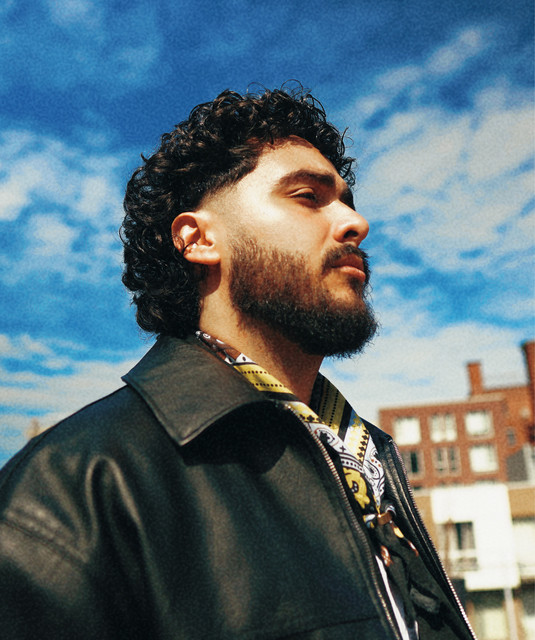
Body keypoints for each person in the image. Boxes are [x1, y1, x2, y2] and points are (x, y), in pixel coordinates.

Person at [0, 86, 476, 640]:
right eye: (307, 196)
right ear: (199, 239)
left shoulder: (368, 462)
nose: (355, 222)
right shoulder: (73, 490)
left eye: (347, 200)